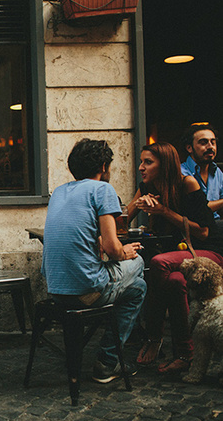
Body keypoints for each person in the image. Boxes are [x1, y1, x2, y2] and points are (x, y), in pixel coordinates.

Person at [42, 139, 146, 384]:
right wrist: (126, 252)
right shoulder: (103, 190)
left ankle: (109, 359)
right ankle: (108, 360)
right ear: (103, 166)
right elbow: (112, 247)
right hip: (86, 291)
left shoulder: (59, 191)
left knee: (137, 287)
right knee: (139, 265)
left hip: (56, 290)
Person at [130, 142, 223, 374]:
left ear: (165, 164)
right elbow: (123, 218)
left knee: (158, 263)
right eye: (141, 162)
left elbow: (203, 231)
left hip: (205, 253)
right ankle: (185, 353)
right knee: (175, 281)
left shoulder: (187, 183)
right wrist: (138, 203)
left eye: (148, 162)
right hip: (176, 258)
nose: (141, 167)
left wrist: (163, 211)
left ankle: (153, 337)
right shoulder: (147, 185)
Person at [180, 123, 223, 222]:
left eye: (213, 142)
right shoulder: (181, 172)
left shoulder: (217, 172)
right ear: (189, 148)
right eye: (203, 143)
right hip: (193, 227)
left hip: (215, 225)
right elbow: (199, 209)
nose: (210, 147)